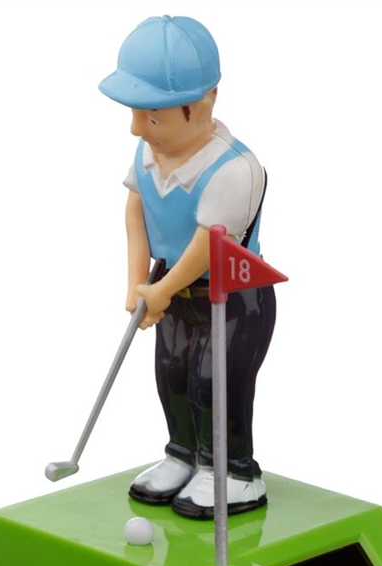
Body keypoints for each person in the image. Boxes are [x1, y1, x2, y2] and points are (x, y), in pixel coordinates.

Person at [99, 15, 276, 519]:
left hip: (233, 297)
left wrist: (160, 290)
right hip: (173, 289)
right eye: (136, 113)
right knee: (173, 373)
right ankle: (184, 456)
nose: (137, 128)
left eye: (152, 117)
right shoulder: (149, 152)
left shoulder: (235, 169)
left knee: (213, 381)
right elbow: (136, 209)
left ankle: (234, 472)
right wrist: (138, 282)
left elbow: (207, 244)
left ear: (200, 105)